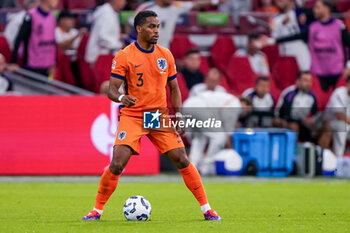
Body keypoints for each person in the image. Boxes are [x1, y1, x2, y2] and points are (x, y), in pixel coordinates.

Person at [82, 10, 222, 221]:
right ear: (139, 29)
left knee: (182, 159)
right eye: (151, 26)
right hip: (133, 116)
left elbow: (174, 88)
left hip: (158, 116)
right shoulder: (125, 56)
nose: (156, 31)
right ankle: (97, 210)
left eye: (157, 26)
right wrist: (121, 98)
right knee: (117, 164)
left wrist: (179, 116)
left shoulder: (165, 55)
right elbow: (111, 90)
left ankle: (207, 209)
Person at [264, 0, 350, 91]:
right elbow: (294, 37)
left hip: (337, 72)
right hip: (318, 74)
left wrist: (348, 65)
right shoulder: (313, 27)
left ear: (326, 9)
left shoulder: (339, 26)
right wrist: (271, 41)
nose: (314, 10)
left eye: (317, 8)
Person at [183, 91, 241, 175]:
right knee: (219, 136)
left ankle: (192, 166)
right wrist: (230, 149)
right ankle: (206, 166)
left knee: (200, 138)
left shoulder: (225, 97)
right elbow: (228, 132)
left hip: (187, 105)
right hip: (200, 107)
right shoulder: (236, 103)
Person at [129, 0, 225, 48]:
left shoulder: (175, 6)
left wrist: (215, 1)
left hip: (164, 50)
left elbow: (196, 4)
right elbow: (130, 24)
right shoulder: (146, 8)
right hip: (145, 49)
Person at [10, 0, 58, 77]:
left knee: (46, 88)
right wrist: (13, 61)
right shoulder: (31, 15)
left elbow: (52, 42)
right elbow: (19, 38)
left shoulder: (52, 17)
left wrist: (53, 63)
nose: (57, 1)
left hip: (47, 64)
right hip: (32, 63)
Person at [275, 71, 318, 141]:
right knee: (294, 126)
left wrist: (311, 121)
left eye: (310, 81)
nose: (308, 84)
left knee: (324, 127)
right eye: (305, 80)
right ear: (298, 81)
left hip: (302, 123)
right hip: (286, 121)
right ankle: (294, 149)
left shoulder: (312, 96)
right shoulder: (289, 93)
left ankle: (319, 150)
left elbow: (315, 114)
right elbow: (282, 113)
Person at [270, 0, 311, 71]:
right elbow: (274, 37)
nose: (279, 3)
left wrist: (301, 18)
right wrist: (282, 25)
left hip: (300, 48)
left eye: (281, 1)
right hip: (286, 51)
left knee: (305, 71)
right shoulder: (274, 20)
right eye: (277, 2)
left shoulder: (297, 13)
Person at [85, 0, 126, 64]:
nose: (124, 3)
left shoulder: (111, 12)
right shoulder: (106, 15)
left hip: (105, 56)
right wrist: (119, 45)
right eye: (123, 0)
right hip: (100, 57)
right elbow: (102, 38)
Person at [326, 76, 350, 157]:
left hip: (347, 123)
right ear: (347, 84)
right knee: (343, 126)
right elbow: (339, 115)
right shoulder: (339, 92)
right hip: (330, 121)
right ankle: (339, 157)